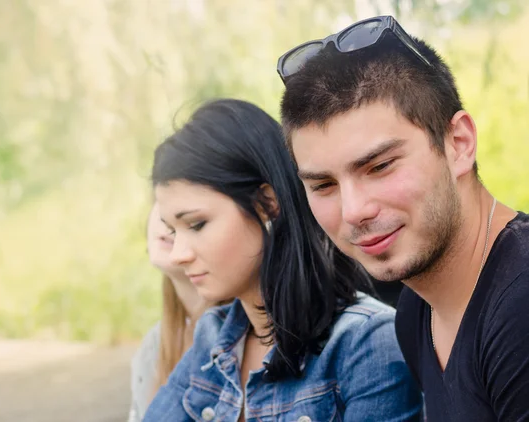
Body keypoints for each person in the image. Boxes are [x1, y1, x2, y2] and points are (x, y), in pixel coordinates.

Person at [278, 15, 529, 421]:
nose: (354, 210)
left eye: (379, 166)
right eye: (324, 185)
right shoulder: (416, 312)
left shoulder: (519, 304)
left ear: (458, 144)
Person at [142, 98, 422, 421]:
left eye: (196, 225)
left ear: (267, 204)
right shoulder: (213, 338)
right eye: (172, 231)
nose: (179, 255)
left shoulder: (366, 345)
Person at [128, 203, 219, 422]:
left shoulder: (239, 341)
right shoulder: (153, 345)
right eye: (161, 203)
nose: (166, 224)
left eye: (192, 218)